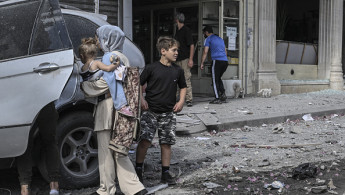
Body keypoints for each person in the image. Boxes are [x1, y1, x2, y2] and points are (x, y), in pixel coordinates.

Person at [81, 25, 147, 195]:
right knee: (119, 150)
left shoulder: (111, 56)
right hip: (121, 109)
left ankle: (106, 189)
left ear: (108, 39)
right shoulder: (123, 56)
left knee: (106, 151)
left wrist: (86, 87)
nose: (97, 42)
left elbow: (106, 84)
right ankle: (135, 188)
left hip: (108, 108)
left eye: (99, 38)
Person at [135, 36, 187, 185]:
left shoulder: (178, 70)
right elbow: (138, 83)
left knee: (166, 143)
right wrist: (142, 99)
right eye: (174, 50)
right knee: (145, 141)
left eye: (177, 50)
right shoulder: (152, 68)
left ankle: (165, 173)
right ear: (163, 51)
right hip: (150, 111)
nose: (177, 52)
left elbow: (183, 87)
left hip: (168, 113)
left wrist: (181, 101)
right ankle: (138, 170)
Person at [79, 37, 134, 117]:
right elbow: (108, 68)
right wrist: (117, 63)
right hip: (98, 85)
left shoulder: (82, 67)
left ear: (82, 56)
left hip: (90, 90)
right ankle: (122, 106)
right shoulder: (96, 63)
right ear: (95, 54)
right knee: (113, 79)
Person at [16, 102, 60, 195]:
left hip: (26, 103)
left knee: (25, 145)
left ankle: (25, 188)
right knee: (50, 142)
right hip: (45, 101)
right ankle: (54, 186)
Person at [200, 26, 228, 104]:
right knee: (218, 78)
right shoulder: (220, 39)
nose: (204, 35)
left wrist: (202, 63)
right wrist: (224, 58)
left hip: (217, 61)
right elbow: (225, 51)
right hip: (225, 61)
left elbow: (205, 52)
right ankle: (223, 94)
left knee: (215, 79)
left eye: (204, 33)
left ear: (206, 32)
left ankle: (217, 98)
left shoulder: (208, 39)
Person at [174, 12, 194, 107]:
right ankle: (175, 97)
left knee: (186, 78)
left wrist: (190, 59)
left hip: (185, 59)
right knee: (176, 78)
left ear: (176, 20)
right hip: (177, 59)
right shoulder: (177, 31)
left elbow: (192, 45)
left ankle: (189, 99)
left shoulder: (186, 30)